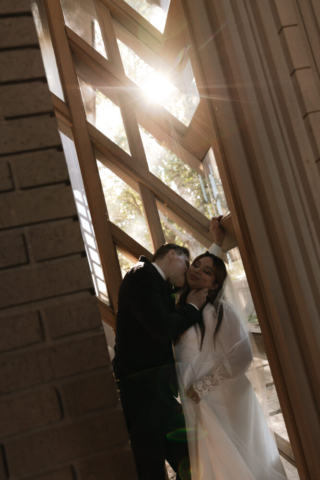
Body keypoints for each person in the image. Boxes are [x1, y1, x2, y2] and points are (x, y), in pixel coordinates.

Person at [174, 219, 288, 480]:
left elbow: (242, 356)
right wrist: (215, 244)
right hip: (195, 401)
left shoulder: (221, 311)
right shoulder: (180, 306)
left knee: (235, 460)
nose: (197, 271)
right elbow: (207, 267)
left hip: (219, 398)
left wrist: (202, 388)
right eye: (195, 265)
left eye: (206, 272)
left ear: (215, 285)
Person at [112, 243, 210, 480]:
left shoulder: (154, 282)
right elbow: (161, 328)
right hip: (142, 391)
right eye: (187, 264)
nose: (188, 272)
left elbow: (208, 276)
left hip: (153, 392)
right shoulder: (142, 275)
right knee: (155, 466)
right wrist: (193, 307)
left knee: (184, 461)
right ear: (172, 254)